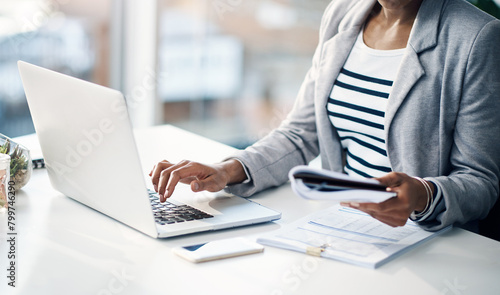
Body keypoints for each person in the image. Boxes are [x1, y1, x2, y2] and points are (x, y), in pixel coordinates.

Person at [150, 0, 500, 231]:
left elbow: (480, 181)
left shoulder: (476, 37)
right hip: (340, 225)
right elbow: (301, 133)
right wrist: (227, 170)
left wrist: (422, 195)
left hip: (418, 237)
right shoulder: (343, 14)